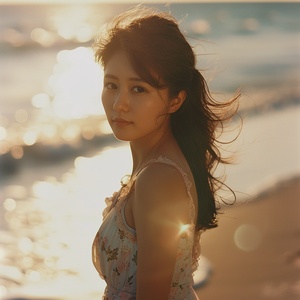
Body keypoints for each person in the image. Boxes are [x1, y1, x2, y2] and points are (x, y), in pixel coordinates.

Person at [92, 6, 239, 300]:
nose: (119, 103)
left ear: (175, 101)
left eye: (138, 89)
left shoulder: (159, 179)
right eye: (112, 85)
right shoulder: (157, 167)